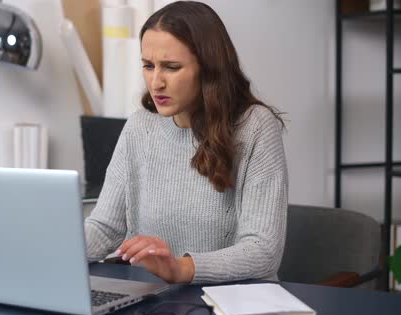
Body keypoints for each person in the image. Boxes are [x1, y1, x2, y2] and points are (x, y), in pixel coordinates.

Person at [84, 0, 288, 285]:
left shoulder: (255, 127)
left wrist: (181, 269)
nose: (156, 83)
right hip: (156, 303)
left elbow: (263, 250)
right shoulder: (140, 126)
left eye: (171, 67)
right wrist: (47, 252)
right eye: (148, 66)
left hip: (235, 306)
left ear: (208, 68)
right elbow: (105, 228)